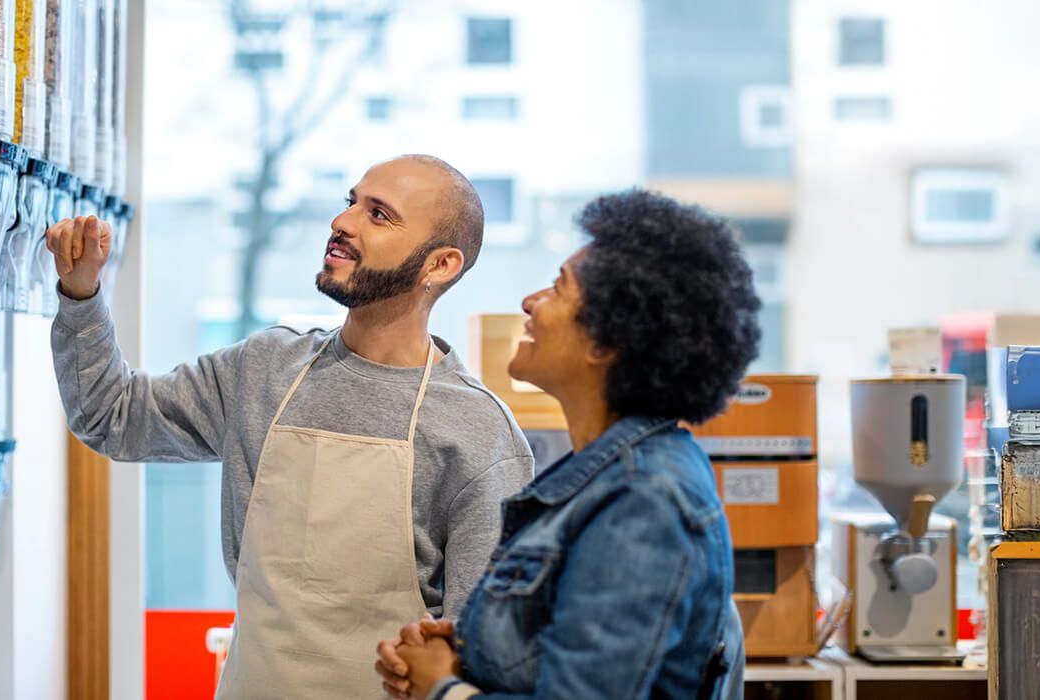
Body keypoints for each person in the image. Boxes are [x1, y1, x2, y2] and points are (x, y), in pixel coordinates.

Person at [45, 155, 535, 699]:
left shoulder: (477, 431)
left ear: (440, 265)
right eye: (351, 202)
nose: (343, 222)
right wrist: (82, 294)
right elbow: (110, 416)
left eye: (379, 215)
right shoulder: (264, 370)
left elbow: (480, 653)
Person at [374, 189, 761, 700]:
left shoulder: (643, 498)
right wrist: (470, 653)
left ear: (606, 342)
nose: (530, 302)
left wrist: (444, 689)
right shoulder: (605, 479)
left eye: (558, 288)